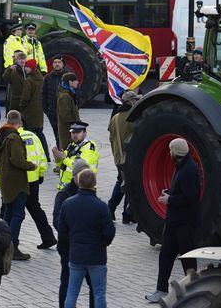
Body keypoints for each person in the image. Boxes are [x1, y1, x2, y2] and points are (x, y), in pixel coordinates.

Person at [145, 138, 201, 303]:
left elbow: (191, 198)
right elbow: (183, 191)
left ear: (176, 152)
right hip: (173, 222)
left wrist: (170, 200)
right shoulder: (181, 166)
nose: (169, 153)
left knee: (188, 257)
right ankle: (161, 290)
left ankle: (193, 290)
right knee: (165, 256)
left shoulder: (190, 170)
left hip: (185, 223)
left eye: (170, 150)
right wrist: (170, 193)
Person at [0, 124, 57, 250]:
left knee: (8, 211)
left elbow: (0, 165)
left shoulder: (5, 137)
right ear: (20, 123)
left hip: (13, 182)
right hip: (32, 180)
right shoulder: (32, 136)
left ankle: (4, 240)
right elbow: (42, 156)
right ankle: (48, 237)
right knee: (35, 209)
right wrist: (40, 173)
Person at [60, 169, 115, 308]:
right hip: (96, 256)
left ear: (78, 182)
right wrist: (103, 243)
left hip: (76, 255)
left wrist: (70, 246)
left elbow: (63, 232)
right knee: (99, 293)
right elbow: (109, 232)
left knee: (72, 292)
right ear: (95, 183)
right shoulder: (101, 206)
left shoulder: (67, 203)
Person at [0, 110, 37, 260]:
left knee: (8, 214)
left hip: (5, 180)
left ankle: (3, 244)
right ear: (19, 123)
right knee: (18, 215)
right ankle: (12, 247)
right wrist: (32, 166)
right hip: (16, 181)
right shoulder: (13, 137)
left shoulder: (1, 135)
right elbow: (17, 160)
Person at [54, 160, 95, 308]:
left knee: (94, 286)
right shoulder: (64, 194)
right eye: (81, 173)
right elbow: (56, 221)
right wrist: (74, 235)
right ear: (74, 175)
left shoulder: (92, 196)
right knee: (67, 283)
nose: (85, 176)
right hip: (69, 249)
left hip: (88, 250)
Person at [107, 90, 140, 224]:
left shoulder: (115, 117)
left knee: (122, 182)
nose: (136, 102)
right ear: (130, 101)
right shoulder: (133, 117)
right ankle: (125, 214)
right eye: (135, 100)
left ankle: (113, 211)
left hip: (118, 157)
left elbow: (111, 138)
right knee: (128, 184)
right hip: (129, 157)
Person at [53, 121, 99, 190]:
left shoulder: (89, 148)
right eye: (73, 132)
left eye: (78, 132)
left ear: (85, 133)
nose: (75, 135)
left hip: (81, 187)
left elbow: (81, 167)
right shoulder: (72, 145)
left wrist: (64, 158)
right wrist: (57, 158)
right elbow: (63, 165)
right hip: (67, 187)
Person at [20, 59, 50, 161]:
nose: (25, 68)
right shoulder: (41, 78)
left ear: (31, 68)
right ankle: (46, 156)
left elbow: (25, 98)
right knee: (40, 134)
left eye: (27, 67)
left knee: (30, 135)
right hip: (38, 112)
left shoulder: (29, 80)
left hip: (29, 112)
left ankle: (31, 156)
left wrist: (21, 108)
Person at [43, 55, 71, 147]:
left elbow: (76, 93)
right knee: (57, 134)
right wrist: (47, 110)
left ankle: (67, 153)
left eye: (59, 62)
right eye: (55, 62)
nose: (57, 64)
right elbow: (43, 94)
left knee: (66, 134)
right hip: (52, 112)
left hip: (66, 112)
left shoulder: (69, 76)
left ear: (63, 64)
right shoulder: (48, 78)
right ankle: (60, 154)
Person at [56, 73, 80, 152]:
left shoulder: (70, 94)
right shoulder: (65, 96)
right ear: (70, 82)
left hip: (70, 130)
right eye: (75, 80)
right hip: (67, 132)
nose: (77, 82)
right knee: (68, 153)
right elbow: (65, 116)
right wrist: (76, 127)